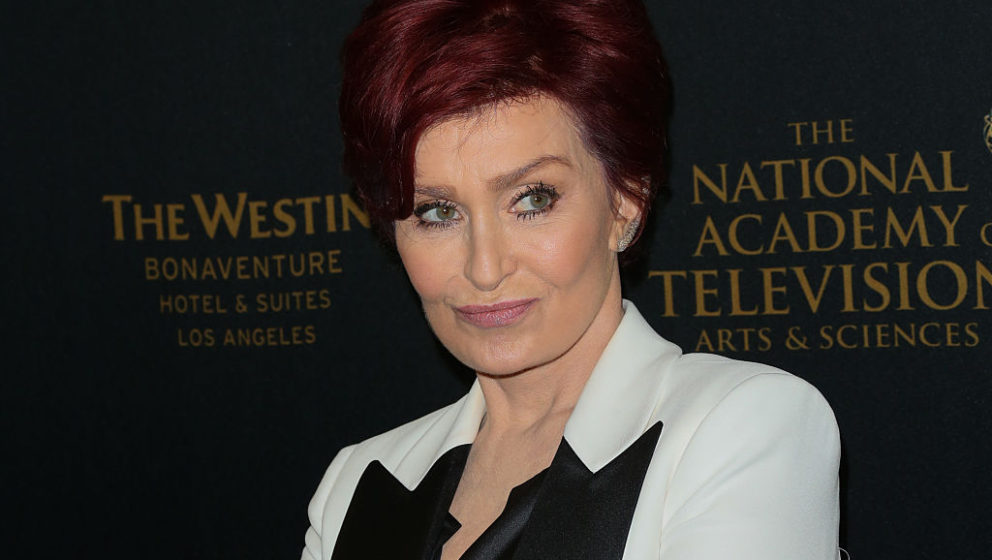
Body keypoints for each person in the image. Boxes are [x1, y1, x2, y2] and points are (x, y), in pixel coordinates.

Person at [302, 0, 841, 558]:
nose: (485, 269)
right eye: (437, 213)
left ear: (626, 200)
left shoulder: (738, 427)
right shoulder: (359, 483)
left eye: (532, 200)